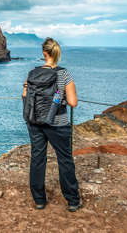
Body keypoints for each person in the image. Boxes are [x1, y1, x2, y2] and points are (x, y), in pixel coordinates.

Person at [22, 37, 82, 212]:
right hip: (58, 123)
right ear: (57, 53)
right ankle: (72, 201)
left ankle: (39, 200)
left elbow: (25, 96)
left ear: (44, 53)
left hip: (34, 122)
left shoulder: (32, 73)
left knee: (38, 159)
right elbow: (73, 102)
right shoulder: (64, 74)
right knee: (65, 160)